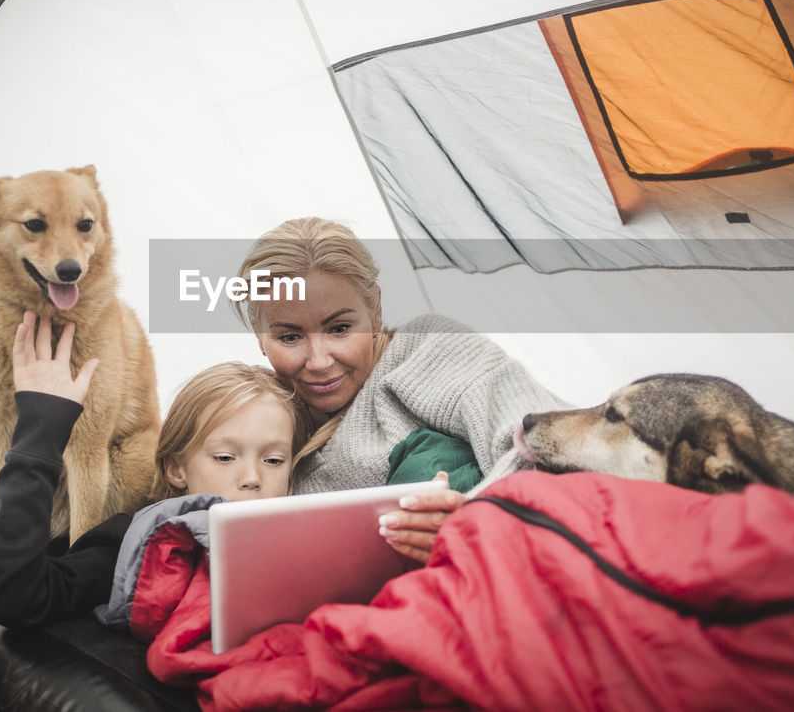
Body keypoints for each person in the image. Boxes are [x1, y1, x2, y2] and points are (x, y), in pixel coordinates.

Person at [0, 310, 308, 627]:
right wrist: (43, 420)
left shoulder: (302, 536)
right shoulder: (134, 539)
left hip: (37, 531)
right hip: (27, 523)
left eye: (273, 460)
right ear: (175, 469)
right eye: (226, 457)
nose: (253, 477)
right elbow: (17, 600)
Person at [234, 216, 569, 562]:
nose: (319, 361)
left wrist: (474, 517)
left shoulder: (428, 350)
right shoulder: (258, 418)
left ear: (375, 310)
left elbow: (547, 446)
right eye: (290, 337)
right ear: (260, 336)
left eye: (340, 329)